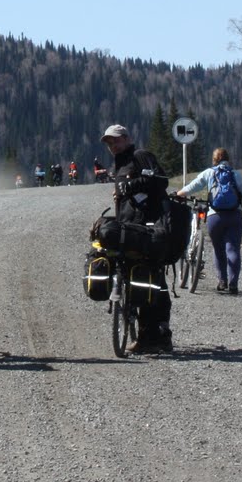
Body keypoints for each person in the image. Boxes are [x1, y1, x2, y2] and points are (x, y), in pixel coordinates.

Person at [101, 123, 174, 353]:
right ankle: (149, 334)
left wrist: (128, 187)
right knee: (136, 278)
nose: (113, 145)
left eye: (116, 140)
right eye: (109, 143)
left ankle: (155, 335)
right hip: (130, 229)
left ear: (127, 139)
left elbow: (160, 180)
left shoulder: (141, 156)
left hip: (149, 229)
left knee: (150, 280)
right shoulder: (120, 163)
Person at [178, 147, 242, 294]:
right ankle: (233, 284)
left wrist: (179, 193)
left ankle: (222, 281)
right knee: (233, 249)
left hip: (215, 217)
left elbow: (193, 186)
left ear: (214, 160)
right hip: (235, 216)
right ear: (228, 159)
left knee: (219, 249)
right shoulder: (236, 174)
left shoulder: (209, 173)